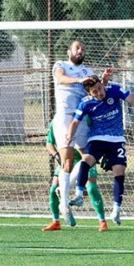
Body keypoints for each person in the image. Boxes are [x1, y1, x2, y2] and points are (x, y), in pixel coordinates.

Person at [65, 76, 134, 225]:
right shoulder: (86, 103)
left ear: (102, 84)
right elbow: (75, 121)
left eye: (100, 89)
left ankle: (116, 210)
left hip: (116, 140)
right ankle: (79, 195)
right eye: (95, 92)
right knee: (85, 161)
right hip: (97, 138)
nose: (99, 93)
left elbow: (133, 100)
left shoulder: (114, 90)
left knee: (119, 173)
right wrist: (69, 135)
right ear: (90, 94)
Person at [52, 40, 112, 226]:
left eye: (84, 49)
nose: (80, 51)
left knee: (89, 158)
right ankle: (64, 205)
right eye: (77, 48)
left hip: (82, 118)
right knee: (68, 160)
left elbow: (97, 91)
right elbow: (60, 78)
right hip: (64, 117)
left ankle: (65, 188)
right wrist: (78, 80)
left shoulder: (88, 71)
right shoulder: (60, 65)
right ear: (69, 50)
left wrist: (104, 80)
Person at [42, 117, 107, 231]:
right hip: (66, 159)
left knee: (91, 188)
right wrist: (56, 155)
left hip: (86, 157)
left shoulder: (87, 118)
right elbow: (49, 144)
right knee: (53, 189)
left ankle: (102, 221)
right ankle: (56, 221)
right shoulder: (57, 121)